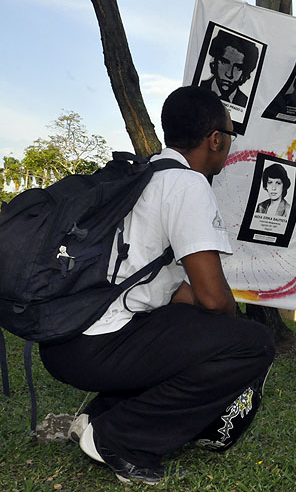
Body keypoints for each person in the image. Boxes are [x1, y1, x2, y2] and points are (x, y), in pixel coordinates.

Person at [38, 86, 275, 485]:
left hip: (64, 339)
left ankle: (97, 417)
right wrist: (231, 332)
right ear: (215, 139)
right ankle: (119, 439)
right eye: (230, 135)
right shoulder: (187, 185)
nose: (229, 144)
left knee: (182, 323)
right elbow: (214, 299)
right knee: (253, 344)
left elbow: (169, 289)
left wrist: (200, 325)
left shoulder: (142, 174)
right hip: (96, 347)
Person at [200, 30, 259, 107]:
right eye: (224, 62)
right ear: (214, 62)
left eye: (238, 67)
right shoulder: (197, 90)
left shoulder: (247, 104)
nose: (229, 74)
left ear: (245, 74)